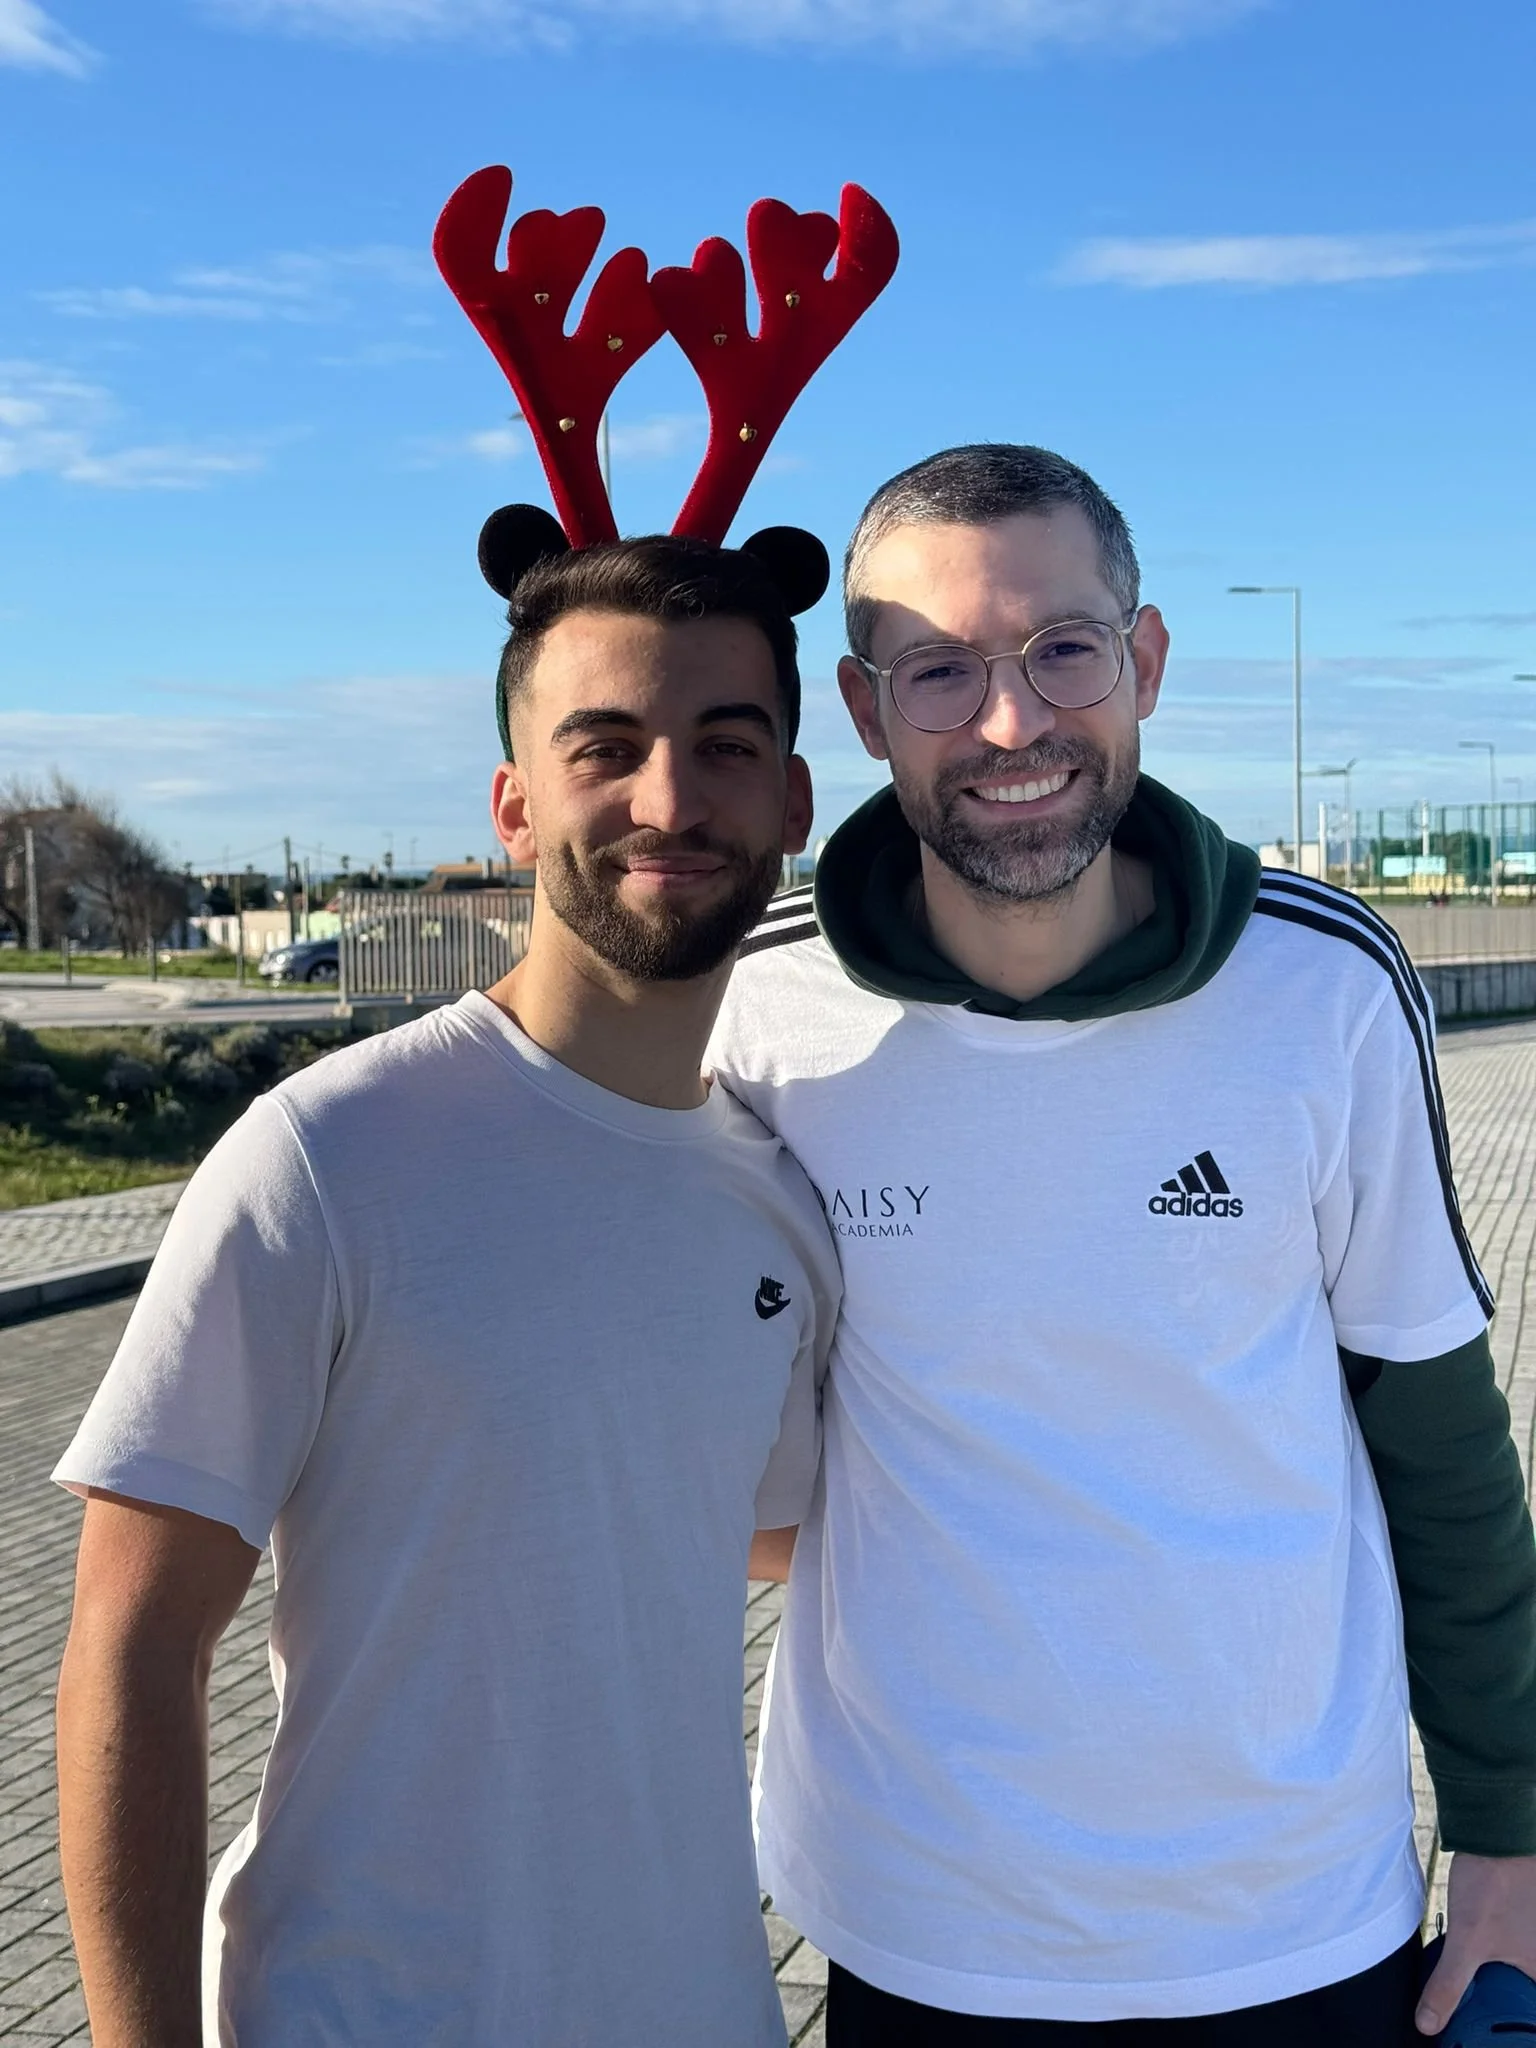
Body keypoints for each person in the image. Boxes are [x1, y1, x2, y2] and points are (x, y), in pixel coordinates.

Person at [711, 443, 1536, 2046]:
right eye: (939, 672)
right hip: (916, 1920)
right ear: (866, 713)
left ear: (1144, 662)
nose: (1010, 722)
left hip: (1293, 1916)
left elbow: (1445, 1449)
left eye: (1061, 650)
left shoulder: (1329, 985)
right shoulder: (761, 1013)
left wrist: (1509, 1831)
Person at [53, 533, 840, 2047]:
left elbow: (746, 1527)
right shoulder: (327, 1160)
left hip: (704, 2007)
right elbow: (132, 1646)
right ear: (513, 800)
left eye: (725, 748)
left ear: (794, 801)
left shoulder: (777, 1200)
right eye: (603, 748)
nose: (669, 800)